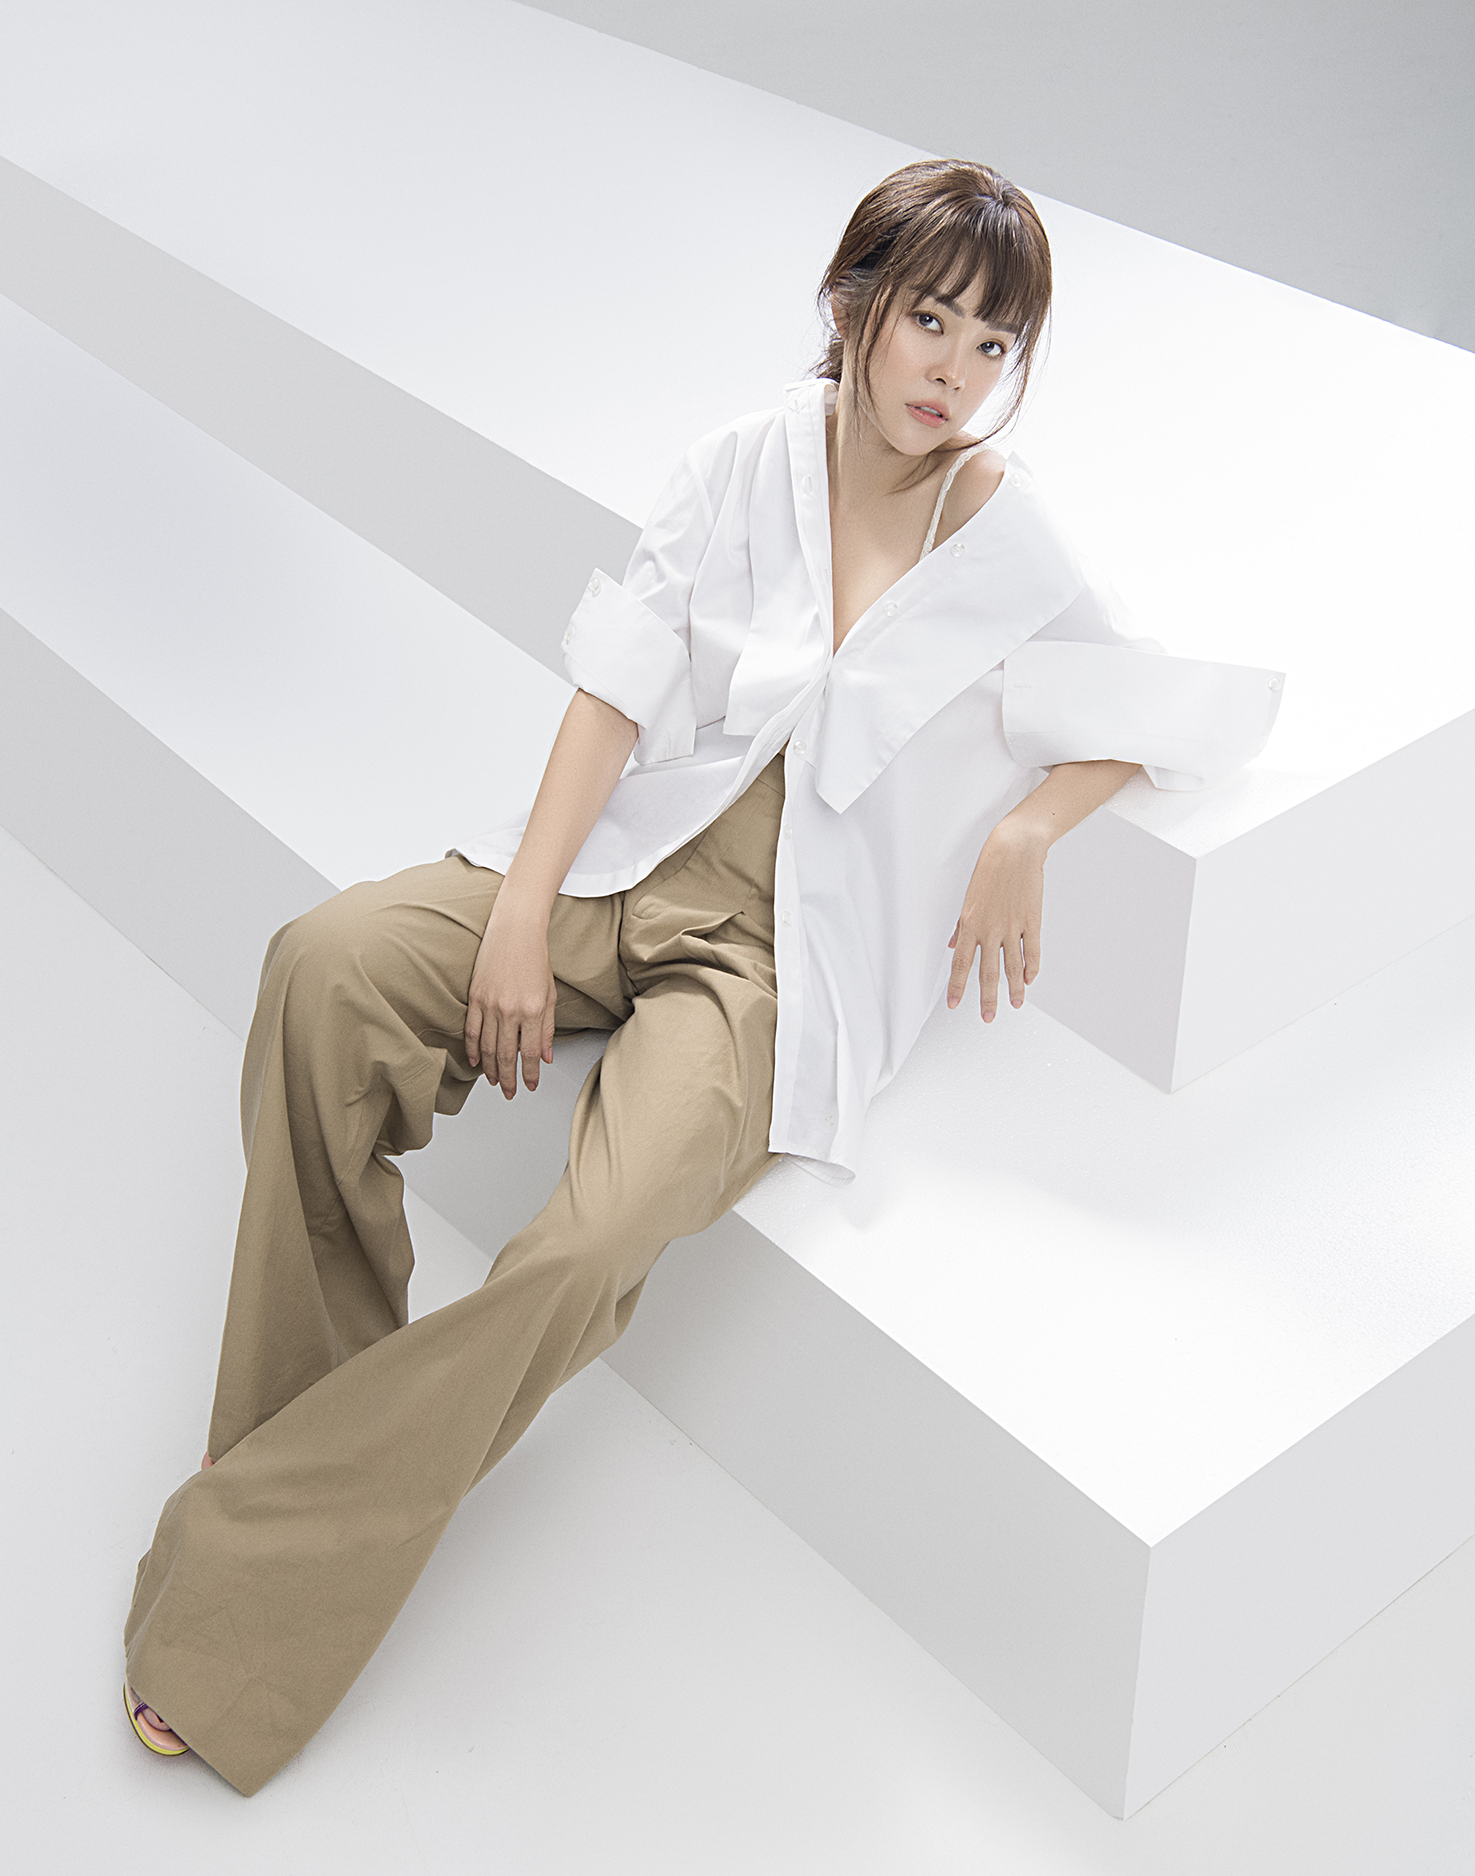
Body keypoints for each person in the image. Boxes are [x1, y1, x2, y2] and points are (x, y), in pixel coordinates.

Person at [122, 158, 1283, 1792]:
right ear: (852, 306)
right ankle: (278, 1481)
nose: (955, 370)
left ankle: (246, 1576)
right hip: (622, 866)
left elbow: (1179, 712)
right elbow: (616, 688)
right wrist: (520, 912)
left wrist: (1034, 822)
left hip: (771, 966)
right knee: (325, 969)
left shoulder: (1002, 533)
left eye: (993, 343)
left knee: (589, 1241)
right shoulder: (742, 465)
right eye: (930, 319)